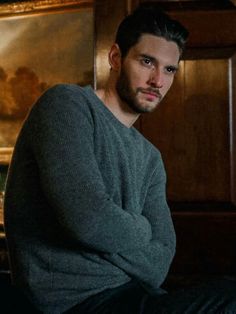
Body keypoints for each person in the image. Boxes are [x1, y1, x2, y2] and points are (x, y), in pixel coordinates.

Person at [3, 3, 236, 314]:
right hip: (71, 304)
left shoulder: (150, 157)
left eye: (169, 69)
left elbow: (162, 256)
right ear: (115, 57)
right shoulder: (67, 105)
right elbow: (89, 220)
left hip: (133, 294)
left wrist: (108, 239)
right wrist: (142, 230)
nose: (158, 80)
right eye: (147, 61)